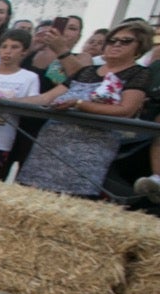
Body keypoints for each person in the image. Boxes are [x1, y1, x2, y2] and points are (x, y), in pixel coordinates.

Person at [16, 21, 152, 197]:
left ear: (140, 47)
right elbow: (45, 98)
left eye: (126, 41)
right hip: (49, 146)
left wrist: (80, 104)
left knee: (73, 201)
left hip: (89, 152)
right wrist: (2, 100)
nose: (117, 44)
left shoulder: (139, 73)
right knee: (30, 198)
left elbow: (126, 110)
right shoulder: (86, 71)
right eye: (112, 40)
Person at [0, 29, 39, 178]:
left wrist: (6, 102)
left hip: (0, 140)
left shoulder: (29, 78)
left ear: (24, 52)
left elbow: (32, 103)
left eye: (14, 47)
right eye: (4, 46)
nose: (8, 51)